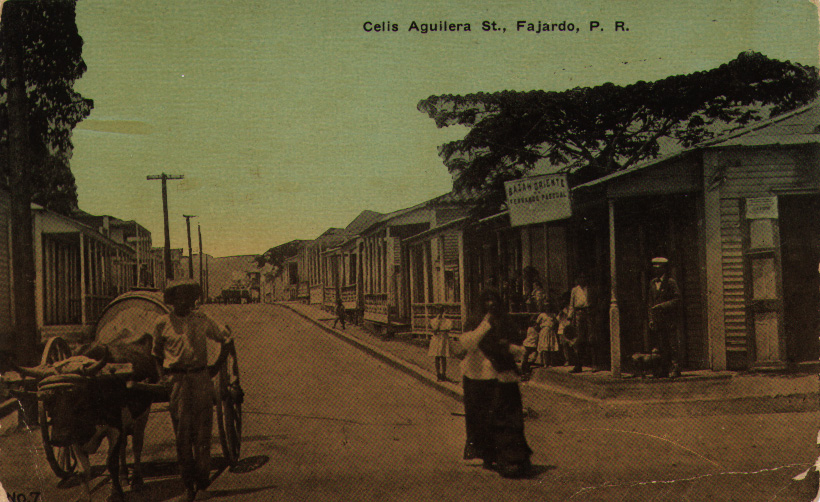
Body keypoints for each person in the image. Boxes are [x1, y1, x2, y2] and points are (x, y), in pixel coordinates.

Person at [153, 279, 233, 502]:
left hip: (201, 379)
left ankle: (203, 481)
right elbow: (156, 354)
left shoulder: (202, 319)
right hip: (177, 383)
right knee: (182, 436)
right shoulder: (162, 323)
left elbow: (226, 338)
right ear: (172, 299)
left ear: (192, 299)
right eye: (179, 296)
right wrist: (162, 378)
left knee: (203, 433)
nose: (184, 300)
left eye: (188, 296)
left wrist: (216, 367)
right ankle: (188, 484)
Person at [460, 289, 532, 478]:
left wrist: (511, 349)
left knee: (506, 418)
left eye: (494, 300)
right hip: (477, 376)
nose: (491, 304)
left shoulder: (505, 321)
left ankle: (511, 458)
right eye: (486, 300)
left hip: (502, 375)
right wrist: (486, 324)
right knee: (482, 418)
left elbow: (518, 347)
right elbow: (469, 344)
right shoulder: (475, 321)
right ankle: (488, 454)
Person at [648, 257, 681, 378]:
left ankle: (675, 369)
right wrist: (651, 319)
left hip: (669, 319)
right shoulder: (652, 283)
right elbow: (650, 303)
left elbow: (677, 299)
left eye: (659, 268)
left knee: (672, 345)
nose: (656, 270)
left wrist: (663, 305)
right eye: (654, 268)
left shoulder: (671, 282)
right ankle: (663, 369)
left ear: (664, 269)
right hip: (657, 320)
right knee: (661, 346)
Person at [568, 273, 597, 373]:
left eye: (583, 277)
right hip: (578, 314)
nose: (581, 280)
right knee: (578, 339)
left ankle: (594, 364)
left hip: (588, 313)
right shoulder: (575, 290)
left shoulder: (591, 289)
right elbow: (571, 304)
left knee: (591, 338)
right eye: (580, 278)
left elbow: (596, 302)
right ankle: (578, 365)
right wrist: (570, 317)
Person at [427, 305, 453, 381]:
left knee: (443, 356)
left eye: (441, 311)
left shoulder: (447, 321)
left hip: (443, 338)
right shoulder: (433, 321)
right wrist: (438, 322)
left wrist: (442, 324)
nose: (440, 313)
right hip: (436, 339)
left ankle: (444, 374)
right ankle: (438, 374)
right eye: (438, 311)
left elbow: (448, 330)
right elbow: (434, 331)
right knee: (437, 356)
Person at [519, 315, 540, 380]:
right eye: (534, 324)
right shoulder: (530, 329)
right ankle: (523, 373)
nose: (536, 325)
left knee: (533, 358)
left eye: (536, 324)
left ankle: (527, 369)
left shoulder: (539, 331)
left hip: (534, 346)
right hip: (527, 345)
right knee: (524, 359)